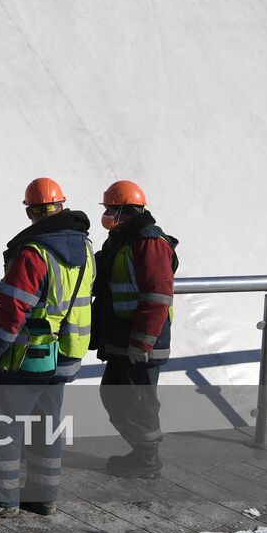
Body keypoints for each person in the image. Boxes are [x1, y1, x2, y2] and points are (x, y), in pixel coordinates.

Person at [0, 177, 93, 520]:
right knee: (46, 423)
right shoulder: (86, 248)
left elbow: (13, 310)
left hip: (30, 357)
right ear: (62, 205)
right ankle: (42, 496)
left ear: (31, 211)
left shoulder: (35, 253)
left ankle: (4, 500)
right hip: (67, 352)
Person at [93, 180, 178, 479]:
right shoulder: (121, 239)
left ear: (125, 210)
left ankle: (147, 458)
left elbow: (157, 295)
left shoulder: (148, 242)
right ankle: (142, 450)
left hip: (140, 342)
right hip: (122, 337)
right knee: (115, 396)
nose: (106, 215)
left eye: (110, 209)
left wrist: (142, 342)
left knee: (137, 399)